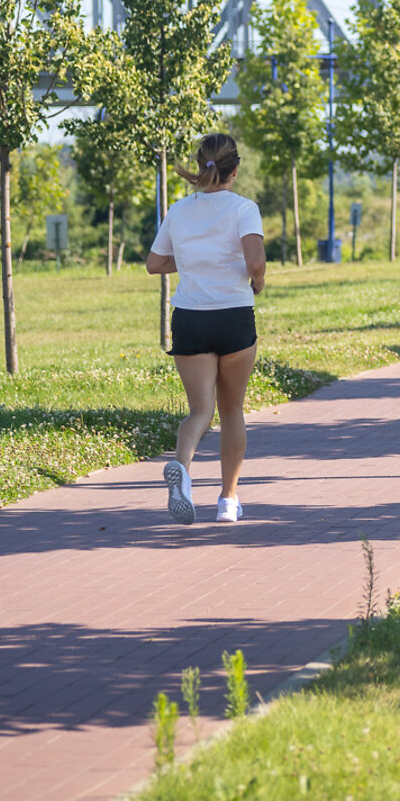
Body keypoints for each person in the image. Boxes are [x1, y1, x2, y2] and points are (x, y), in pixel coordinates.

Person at [146, 133, 265, 525]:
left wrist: (196, 261)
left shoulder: (179, 210)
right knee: (232, 410)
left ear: (201, 165)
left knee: (200, 411)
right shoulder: (244, 209)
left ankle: (182, 467)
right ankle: (228, 501)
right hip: (232, 316)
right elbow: (255, 262)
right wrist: (258, 284)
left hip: (190, 318)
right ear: (235, 169)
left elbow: (155, 263)